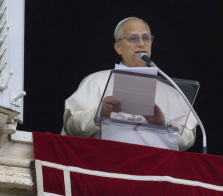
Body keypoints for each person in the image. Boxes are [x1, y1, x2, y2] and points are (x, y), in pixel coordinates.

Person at [62, 17, 199, 150]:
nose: (141, 44)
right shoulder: (96, 81)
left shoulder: (172, 91)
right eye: (133, 38)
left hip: (156, 169)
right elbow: (71, 126)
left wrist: (163, 123)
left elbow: (187, 139)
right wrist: (99, 114)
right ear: (118, 47)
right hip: (108, 165)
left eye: (146, 38)